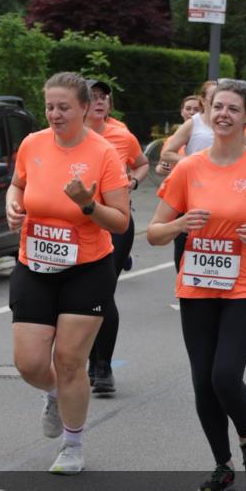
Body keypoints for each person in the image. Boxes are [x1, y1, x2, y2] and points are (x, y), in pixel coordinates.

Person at [147, 80, 246, 491]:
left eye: (233, 109)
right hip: (197, 285)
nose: (224, 115)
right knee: (203, 382)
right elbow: (154, 233)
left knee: (225, 375)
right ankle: (223, 465)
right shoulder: (188, 168)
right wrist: (180, 225)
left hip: (245, 287)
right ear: (206, 112)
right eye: (218, 107)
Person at [6, 72, 130, 473]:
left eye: (63, 107)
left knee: (71, 359)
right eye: (49, 107)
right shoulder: (32, 144)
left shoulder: (104, 153)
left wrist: (88, 205)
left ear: (82, 107)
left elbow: (122, 223)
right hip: (34, 263)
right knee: (29, 363)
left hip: (87, 268)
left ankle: (72, 445)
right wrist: (13, 205)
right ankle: (56, 394)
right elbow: (17, 185)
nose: (55, 115)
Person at [85, 79, 148, 394]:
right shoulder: (67, 135)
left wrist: (132, 182)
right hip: (78, 225)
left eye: (104, 97)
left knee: (102, 293)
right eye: (93, 96)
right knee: (81, 296)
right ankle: (85, 359)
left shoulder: (122, 135)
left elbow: (142, 164)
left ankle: (102, 366)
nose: (99, 101)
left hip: (114, 225)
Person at [160, 80, 216, 274]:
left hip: (223, 188)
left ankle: (215, 281)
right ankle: (183, 280)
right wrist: (194, 162)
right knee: (186, 237)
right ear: (203, 100)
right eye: (213, 97)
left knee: (218, 238)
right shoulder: (194, 123)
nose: (219, 101)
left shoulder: (229, 122)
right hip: (194, 189)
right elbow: (167, 152)